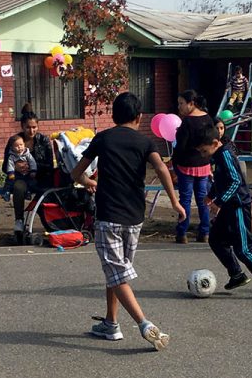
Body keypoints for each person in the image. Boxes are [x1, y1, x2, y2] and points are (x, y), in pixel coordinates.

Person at [70, 92, 186, 350]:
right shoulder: (144, 143)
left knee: (116, 274)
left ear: (113, 115)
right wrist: (175, 202)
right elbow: (161, 168)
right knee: (117, 272)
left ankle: (144, 323)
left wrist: (89, 182)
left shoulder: (103, 138)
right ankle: (111, 324)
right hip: (134, 218)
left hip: (109, 215)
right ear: (139, 116)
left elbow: (76, 172)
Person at [196, 124, 252, 300]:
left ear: (215, 143)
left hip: (238, 207)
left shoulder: (226, 155)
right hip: (228, 207)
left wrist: (219, 201)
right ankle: (236, 274)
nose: (203, 155)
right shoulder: (218, 157)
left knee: (243, 249)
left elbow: (235, 181)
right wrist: (211, 195)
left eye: (204, 151)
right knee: (216, 240)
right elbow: (222, 180)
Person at [173, 90, 214, 244]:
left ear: (191, 104)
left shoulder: (188, 122)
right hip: (204, 165)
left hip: (186, 166)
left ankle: (182, 232)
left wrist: (173, 164)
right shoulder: (208, 118)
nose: (179, 107)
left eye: (181, 103)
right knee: (203, 199)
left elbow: (180, 146)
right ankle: (205, 232)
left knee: (185, 200)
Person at [7, 109, 56, 237]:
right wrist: (16, 167)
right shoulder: (14, 141)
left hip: (41, 178)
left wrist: (32, 167)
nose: (31, 130)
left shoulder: (44, 140)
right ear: (22, 127)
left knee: (46, 191)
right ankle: (19, 220)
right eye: (28, 127)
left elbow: (50, 165)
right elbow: (4, 166)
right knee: (18, 187)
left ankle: (51, 222)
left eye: (34, 127)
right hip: (21, 178)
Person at [3, 134, 39, 243]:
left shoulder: (40, 142)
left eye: (21, 145)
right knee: (12, 183)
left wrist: (33, 170)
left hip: (31, 175)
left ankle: (28, 193)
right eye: (17, 146)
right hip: (17, 176)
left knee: (31, 183)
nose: (20, 147)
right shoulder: (11, 154)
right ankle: (7, 192)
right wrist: (12, 171)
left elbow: (33, 162)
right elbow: (7, 165)